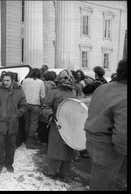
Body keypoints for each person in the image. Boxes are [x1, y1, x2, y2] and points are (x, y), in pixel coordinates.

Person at [84, 59, 127, 191]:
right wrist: (120, 153)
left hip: (92, 139)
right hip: (108, 146)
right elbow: (122, 134)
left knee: (98, 177)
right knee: (103, 184)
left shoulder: (103, 87)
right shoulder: (125, 95)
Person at [41, 69, 77, 183]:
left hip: (70, 126)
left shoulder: (73, 92)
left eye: (70, 78)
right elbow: (45, 106)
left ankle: (64, 173)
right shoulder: (53, 92)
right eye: (65, 78)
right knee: (55, 149)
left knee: (69, 150)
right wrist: (50, 114)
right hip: (57, 124)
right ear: (59, 79)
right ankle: (52, 171)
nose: (68, 80)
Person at [0, 71, 27, 174]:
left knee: (11, 144)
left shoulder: (19, 91)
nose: (5, 82)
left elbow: (24, 105)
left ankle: (9, 163)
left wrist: (18, 113)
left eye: (7, 80)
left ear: (13, 80)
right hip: (1, 122)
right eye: (4, 80)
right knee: (0, 144)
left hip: (13, 123)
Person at [21, 68, 46, 149]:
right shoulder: (40, 82)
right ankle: (30, 141)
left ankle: (26, 138)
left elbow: (22, 92)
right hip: (35, 104)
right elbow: (42, 95)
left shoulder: (25, 81)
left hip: (25, 104)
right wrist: (43, 105)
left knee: (27, 121)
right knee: (33, 123)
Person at [37, 71, 56, 144]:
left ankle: (43, 139)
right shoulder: (53, 85)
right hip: (49, 105)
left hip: (44, 105)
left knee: (43, 123)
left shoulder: (44, 85)